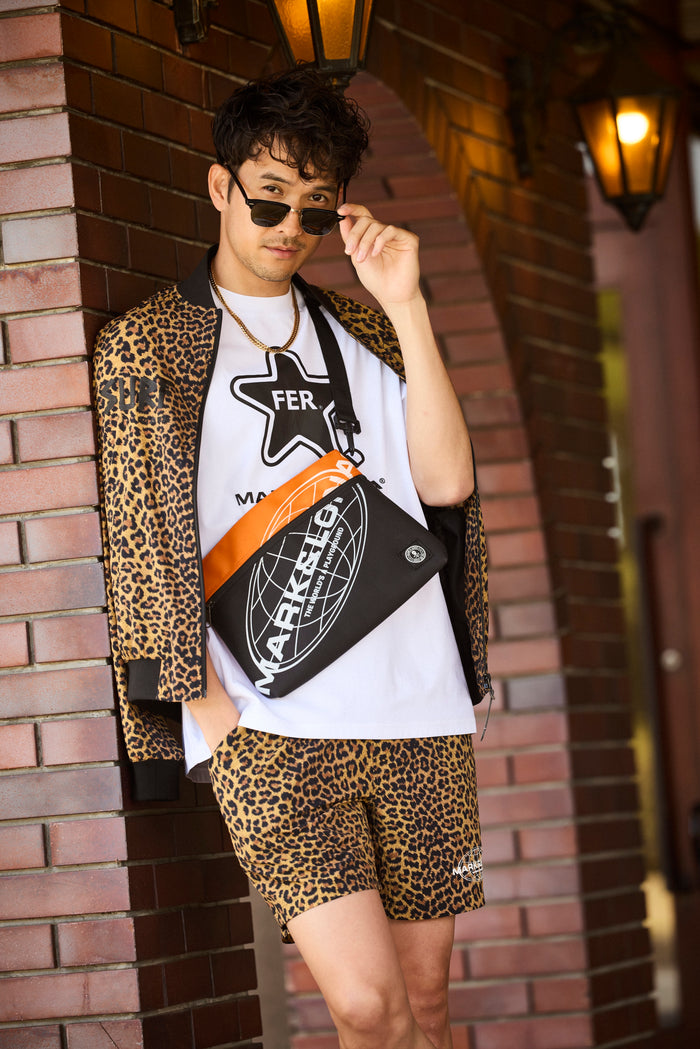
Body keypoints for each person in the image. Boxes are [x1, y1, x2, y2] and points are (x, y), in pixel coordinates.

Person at [93, 65, 492, 1049]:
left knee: (426, 1007)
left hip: (418, 704)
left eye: (314, 209)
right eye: (269, 197)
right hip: (271, 723)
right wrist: (210, 715)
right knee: (367, 1006)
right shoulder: (152, 346)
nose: (289, 226)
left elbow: (445, 483)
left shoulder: (364, 330)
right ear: (220, 185)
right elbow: (143, 539)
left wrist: (407, 305)